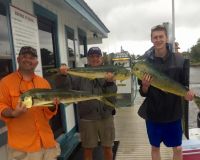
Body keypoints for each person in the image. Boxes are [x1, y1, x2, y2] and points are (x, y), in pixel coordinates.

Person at [138, 25, 195, 160]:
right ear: (151, 40)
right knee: (155, 148)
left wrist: (188, 95)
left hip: (173, 113)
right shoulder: (145, 63)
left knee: (178, 148)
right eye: (155, 37)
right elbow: (142, 92)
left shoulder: (180, 60)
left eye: (160, 37)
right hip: (153, 113)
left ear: (166, 38)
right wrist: (145, 86)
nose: (158, 40)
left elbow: (184, 86)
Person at [56, 47, 117, 160]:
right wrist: (63, 75)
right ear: (88, 59)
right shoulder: (79, 74)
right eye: (92, 56)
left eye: (97, 56)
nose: (95, 59)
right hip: (87, 117)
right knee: (88, 149)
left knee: (108, 147)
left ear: (101, 58)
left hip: (106, 116)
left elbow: (112, 97)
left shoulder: (108, 73)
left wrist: (110, 83)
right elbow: (65, 88)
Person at [0, 46, 60, 160]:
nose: (28, 60)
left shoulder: (44, 83)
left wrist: (52, 105)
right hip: (22, 149)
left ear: (36, 62)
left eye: (32, 57)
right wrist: (13, 113)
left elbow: (48, 114)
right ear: (18, 59)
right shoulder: (5, 83)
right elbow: (0, 105)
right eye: (24, 56)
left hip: (47, 143)